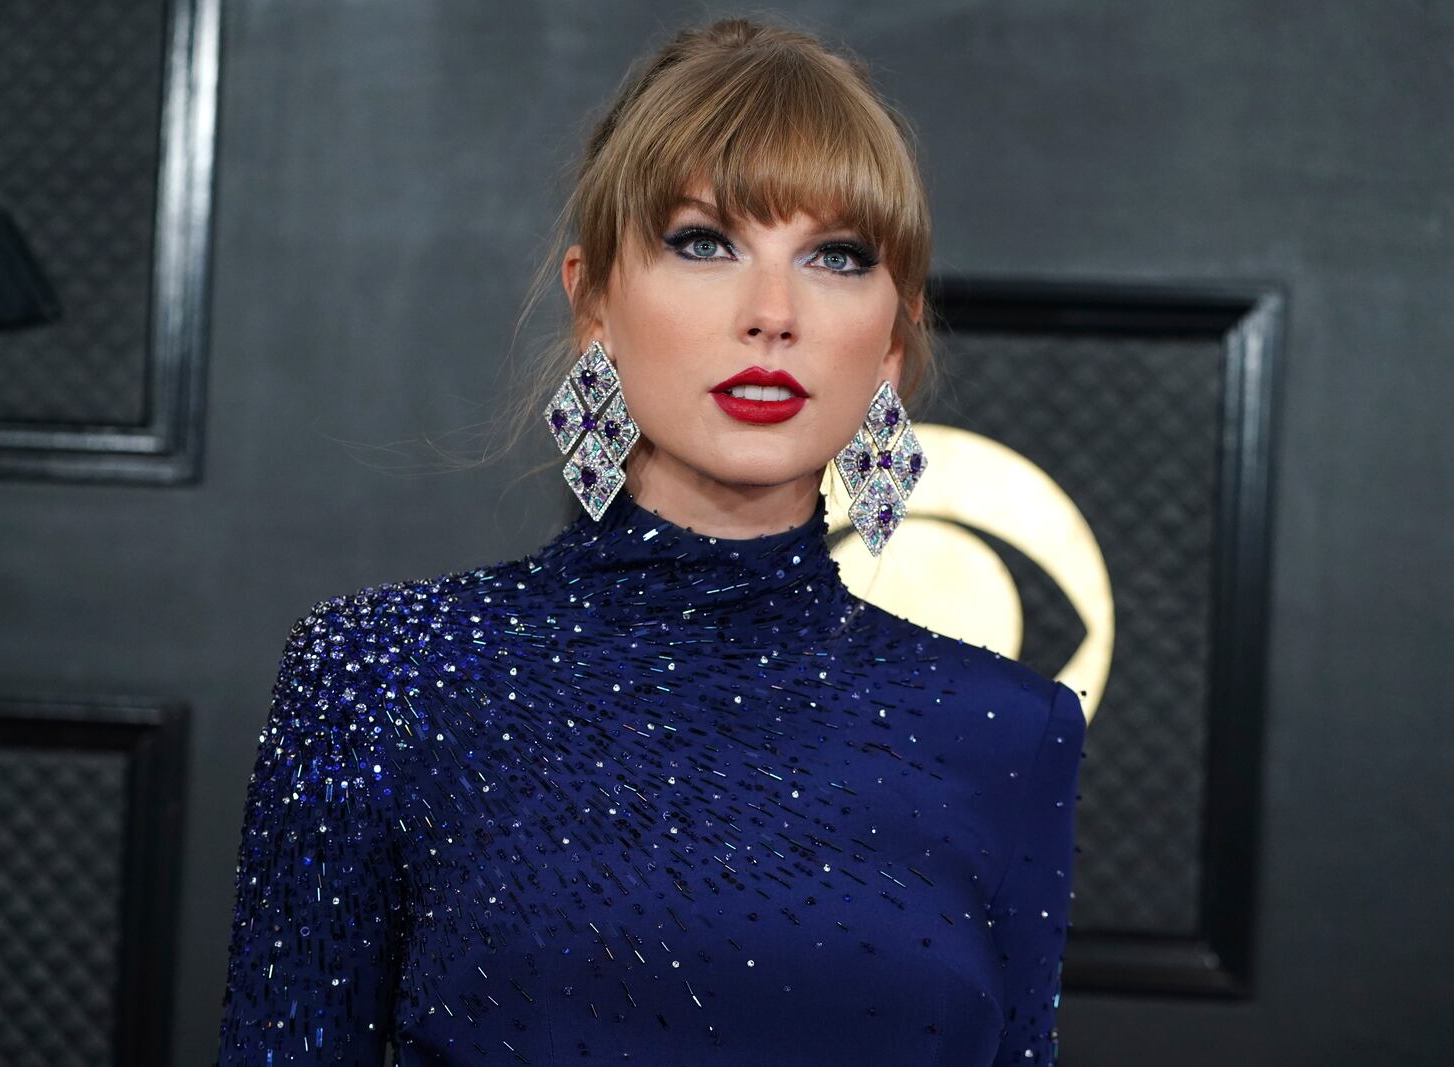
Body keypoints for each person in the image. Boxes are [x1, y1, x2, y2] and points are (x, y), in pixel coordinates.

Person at [215, 15, 1087, 1066]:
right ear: (595, 307)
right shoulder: (385, 673)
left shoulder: (1006, 728)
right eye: (703, 242)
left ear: (890, 343)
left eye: (837, 255)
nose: (773, 312)